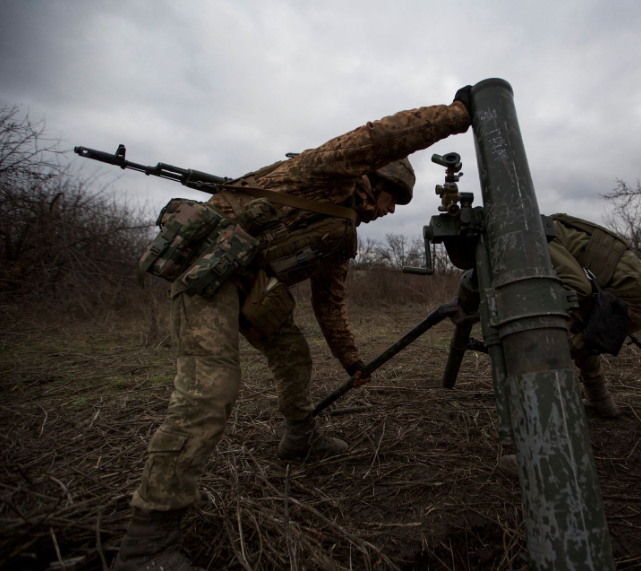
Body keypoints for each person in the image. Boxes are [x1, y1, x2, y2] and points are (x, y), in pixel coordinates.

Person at [113, 87, 475, 571]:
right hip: (209, 270)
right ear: (375, 177)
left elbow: (330, 303)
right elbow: (381, 136)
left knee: (292, 352)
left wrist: (351, 360)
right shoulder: (325, 173)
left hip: (252, 283)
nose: (390, 210)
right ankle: (146, 542)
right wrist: (457, 116)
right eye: (393, 197)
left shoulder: (341, 234)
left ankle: (300, 436)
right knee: (210, 389)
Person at [498, 214, 641, 476]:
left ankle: (544, 453)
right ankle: (601, 401)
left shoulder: (532, 236)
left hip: (629, 304)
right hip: (631, 294)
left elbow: (579, 288)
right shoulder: (538, 225)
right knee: (581, 334)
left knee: (547, 350)